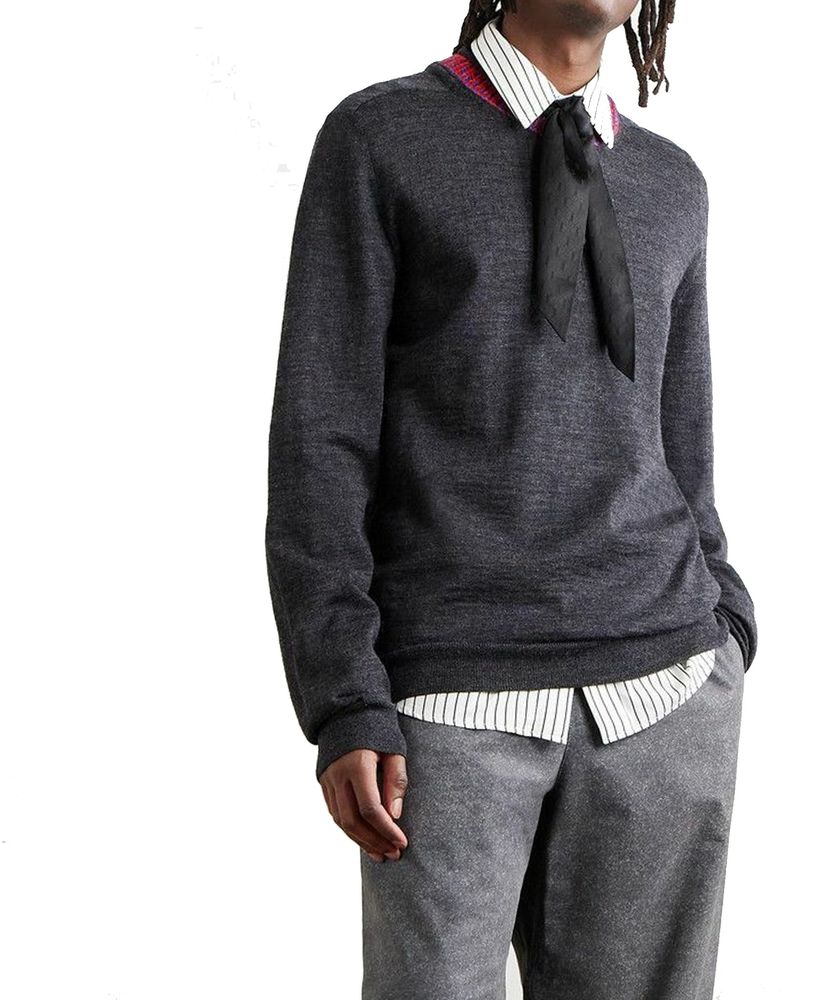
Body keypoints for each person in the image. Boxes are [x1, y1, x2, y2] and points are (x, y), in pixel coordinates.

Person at [265, 1, 758, 996]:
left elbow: (684, 440)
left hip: (665, 690)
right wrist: (344, 697)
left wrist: (727, 628)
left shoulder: (671, 182)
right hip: (450, 700)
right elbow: (321, 438)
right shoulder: (382, 140)